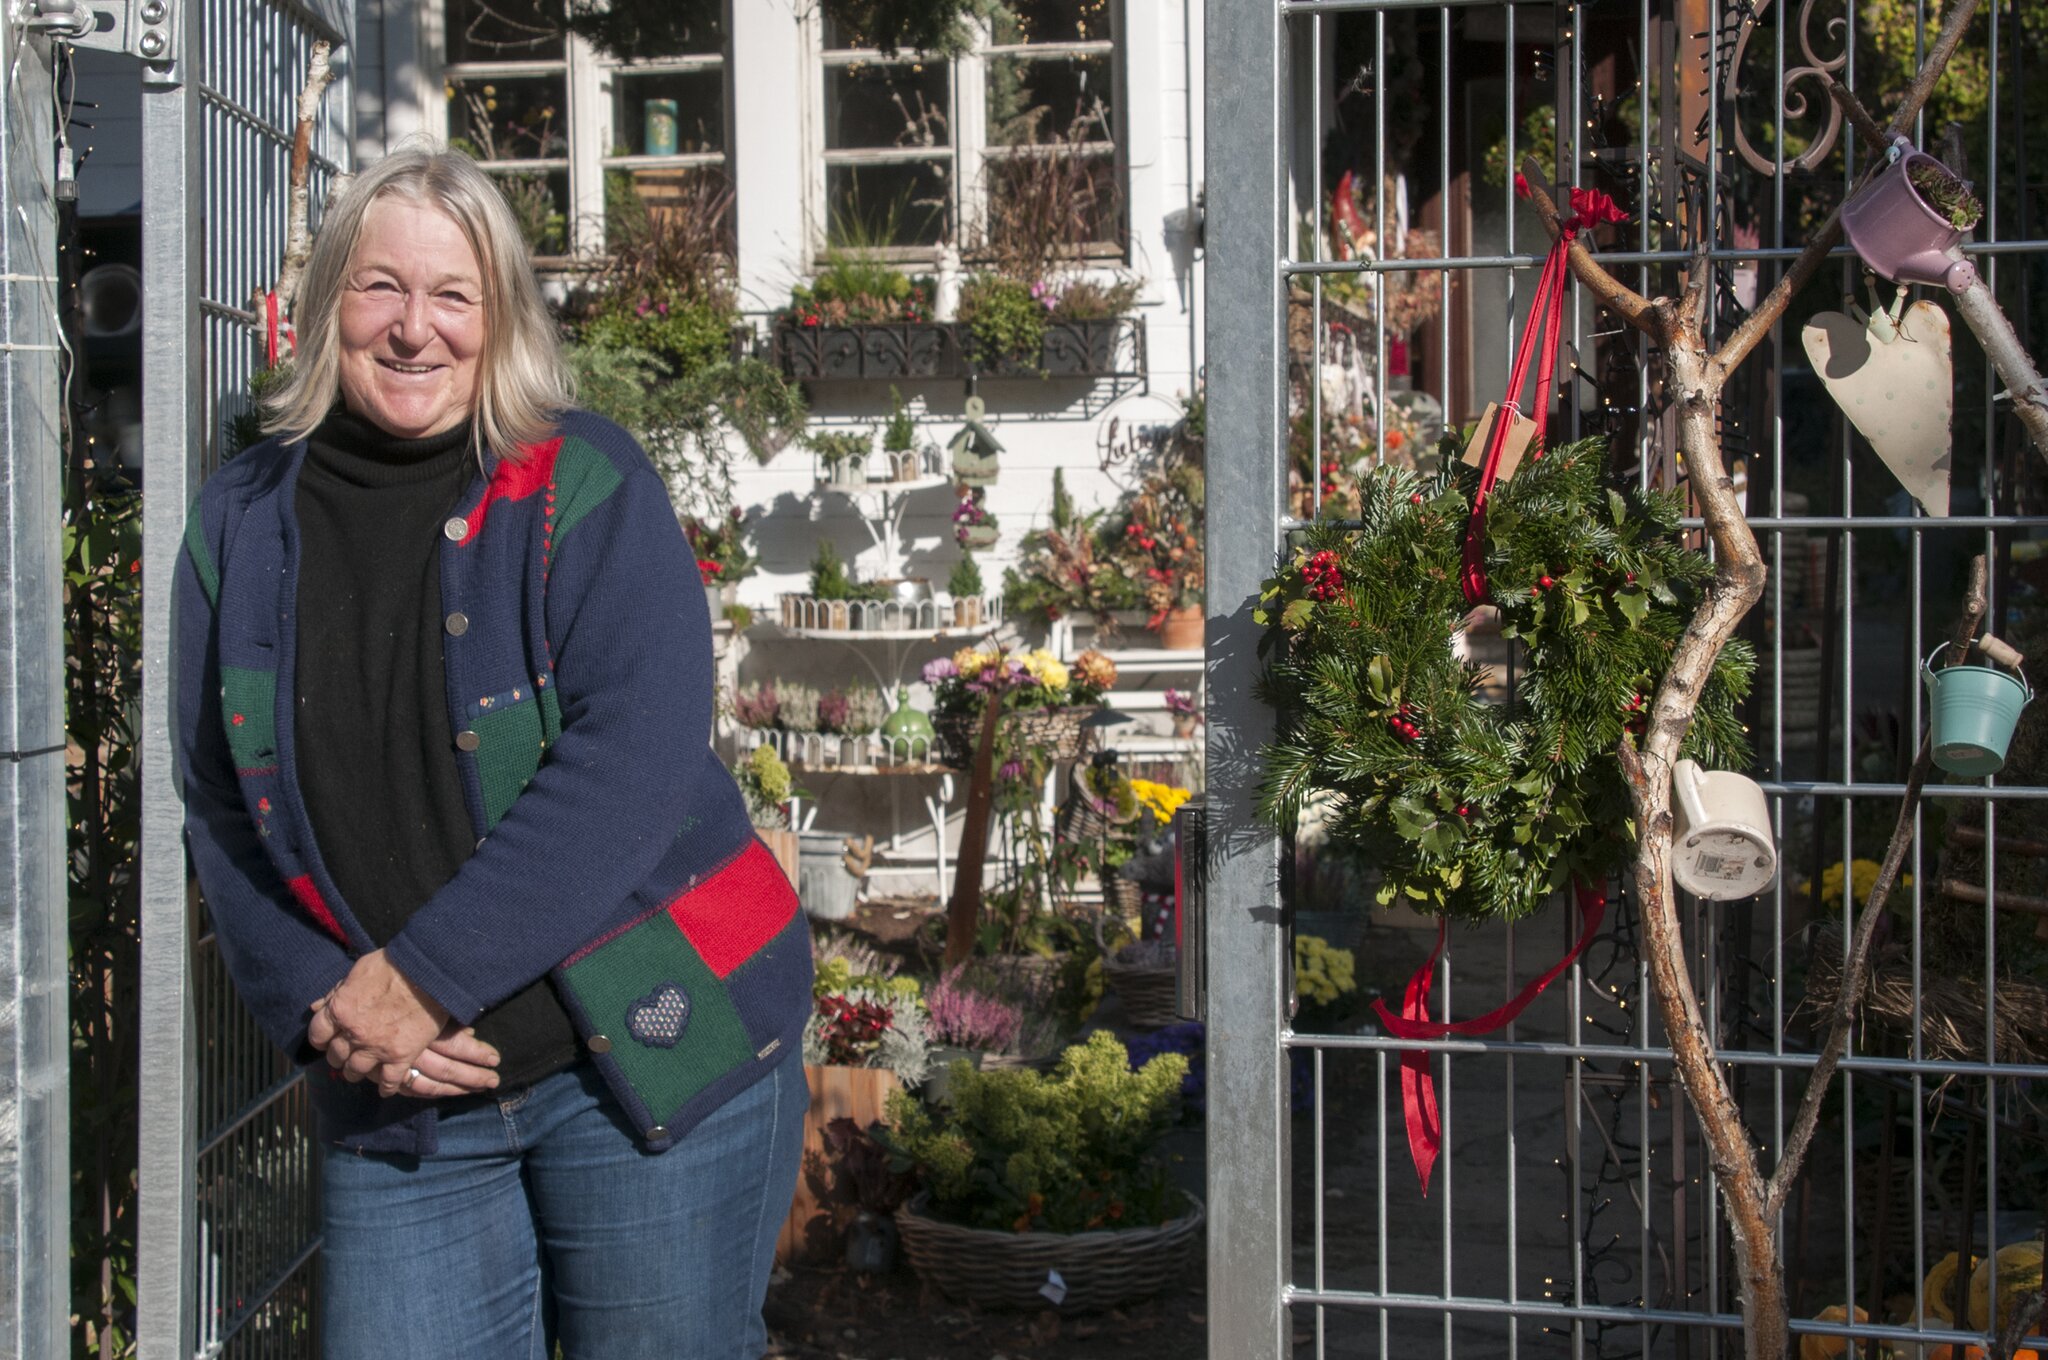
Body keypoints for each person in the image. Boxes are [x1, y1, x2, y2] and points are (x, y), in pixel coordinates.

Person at [173, 145, 812, 1360]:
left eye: (453, 295)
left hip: (651, 1050)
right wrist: (333, 1010)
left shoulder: (582, 481)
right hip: (401, 1101)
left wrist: (420, 980)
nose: (415, 329)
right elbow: (217, 796)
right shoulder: (241, 522)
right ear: (326, 311)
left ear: (500, 318)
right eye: (379, 289)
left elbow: (633, 762)